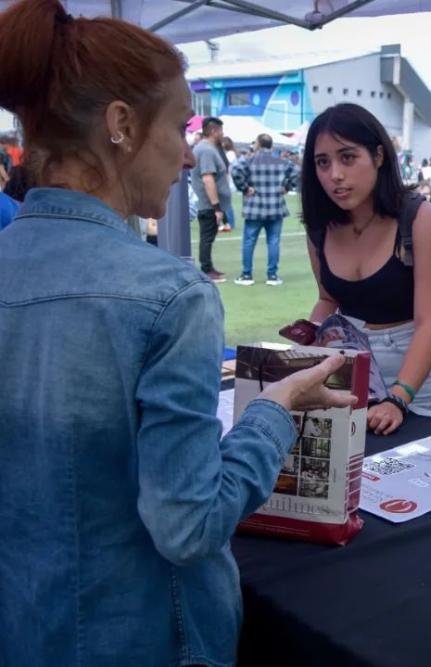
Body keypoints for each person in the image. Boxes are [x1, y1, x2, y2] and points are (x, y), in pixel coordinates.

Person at [0, 2, 356, 665]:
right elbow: (188, 524)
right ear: (121, 125)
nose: (188, 156)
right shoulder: (169, 297)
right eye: (181, 127)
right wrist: (273, 412)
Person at [301, 103, 431, 434]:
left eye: (347, 157)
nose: (335, 175)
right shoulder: (319, 228)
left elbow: (430, 322)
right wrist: (308, 337)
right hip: (351, 365)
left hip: (419, 372)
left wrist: (400, 397)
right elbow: (328, 299)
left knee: (415, 471)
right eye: (322, 162)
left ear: (378, 156)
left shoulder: (420, 220)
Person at [231, 133, 299, 286]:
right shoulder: (282, 161)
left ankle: (246, 275)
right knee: (273, 242)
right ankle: (272, 275)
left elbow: (235, 169)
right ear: (271, 145)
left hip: (254, 207)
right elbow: (297, 172)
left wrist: (245, 188)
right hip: (275, 206)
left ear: (259, 144)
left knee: (249, 241)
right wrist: (287, 186)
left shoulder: (249, 160)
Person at [191, 116, 230, 282]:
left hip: (209, 204)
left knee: (208, 237)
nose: (223, 134)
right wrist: (216, 207)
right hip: (209, 204)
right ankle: (206, 269)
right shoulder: (206, 150)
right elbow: (208, 179)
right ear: (214, 131)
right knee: (207, 238)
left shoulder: (207, 149)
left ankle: (209, 267)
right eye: (221, 130)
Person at [220, 135, 238, 232]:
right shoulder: (229, 153)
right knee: (225, 203)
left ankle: (230, 223)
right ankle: (227, 222)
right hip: (227, 181)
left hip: (228, 181)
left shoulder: (230, 154)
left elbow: (225, 165)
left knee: (227, 204)